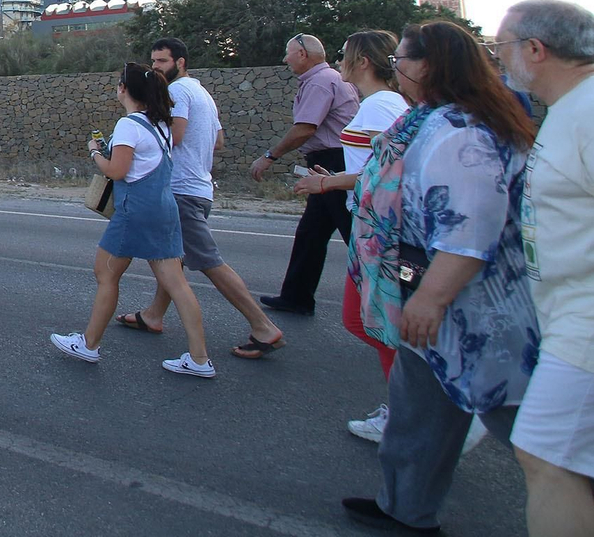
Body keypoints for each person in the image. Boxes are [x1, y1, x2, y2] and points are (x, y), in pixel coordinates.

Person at [341, 20, 539, 533]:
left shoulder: (463, 133)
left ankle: (571, 487)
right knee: (419, 409)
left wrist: (430, 298)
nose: (396, 69)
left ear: (429, 66)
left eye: (402, 60)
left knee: (520, 422)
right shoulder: (431, 119)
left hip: (469, 305)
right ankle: (404, 508)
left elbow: (469, 228)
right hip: (425, 284)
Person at [492, 0, 594, 537]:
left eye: (501, 47)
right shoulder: (569, 108)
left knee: (545, 455)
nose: (497, 60)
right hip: (563, 318)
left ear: (535, 48)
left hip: (585, 327)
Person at [116, 39, 285, 361]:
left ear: (180, 62)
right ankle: (153, 315)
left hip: (181, 189)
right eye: (153, 61)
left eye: (162, 61)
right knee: (172, 258)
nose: (155, 67)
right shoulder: (201, 92)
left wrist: (139, 135)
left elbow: (175, 136)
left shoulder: (177, 92)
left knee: (208, 261)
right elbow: (218, 141)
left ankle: (263, 326)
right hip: (199, 187)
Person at [51, 62, 214, 378]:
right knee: (177, 284)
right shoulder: (161, 124)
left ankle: (89, 344)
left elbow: (117, 171)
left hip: (134, 211)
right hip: (164, 209)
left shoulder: (128, 125)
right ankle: (199, 358)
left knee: (106, 274)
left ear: (124, 89)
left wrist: (95, 153)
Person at [286, 31, 410, 440]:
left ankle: (412, 410)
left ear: (362, 61)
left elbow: (395, 171)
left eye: (344, 54)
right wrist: (338, 178)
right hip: (368, 218)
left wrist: (330, 183)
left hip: (380, 226)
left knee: (371, 322)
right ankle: (411, 405)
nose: (339, 60)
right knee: (362, 319)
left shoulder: (381, 105)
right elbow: (376, 167)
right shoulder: (378, 103)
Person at [252, 33, 361, 316]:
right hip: (333, 160)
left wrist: (269, 156)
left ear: (302, 54)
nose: (285, 59)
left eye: (288, 53)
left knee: (354, 233)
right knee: (311, 234)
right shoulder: (329, 79)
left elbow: (305, 128)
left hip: (333, 162)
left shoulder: (320, 82)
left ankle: (386, 295)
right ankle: (296, 297)